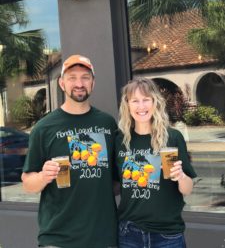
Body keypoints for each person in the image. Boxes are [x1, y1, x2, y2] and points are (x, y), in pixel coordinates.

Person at [22, 54, 118, 248]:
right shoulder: (44, 128)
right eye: (72, 77)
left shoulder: (107, 124)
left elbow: (115, 181)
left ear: (93, 82)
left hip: (103, 237)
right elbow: (28, 183)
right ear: (62, 83)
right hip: (59, 238)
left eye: (85, 77)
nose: (79, 83)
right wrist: (42, 177)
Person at [115, 77, 196, 248]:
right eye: (135, 101)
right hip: (129, 233)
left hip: (167, 235)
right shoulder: (120, 140)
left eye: (146, 100)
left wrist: (180, 176)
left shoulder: (172, 137)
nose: (141, 106)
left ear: (155, 102)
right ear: (127, 105)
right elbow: (115, 184)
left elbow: (187, 189)